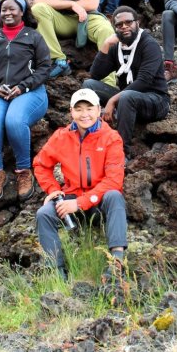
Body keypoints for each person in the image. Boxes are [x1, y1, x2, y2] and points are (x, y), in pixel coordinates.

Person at [34, 89, 127, 282]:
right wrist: (53, 190)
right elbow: (41, 165)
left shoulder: (111, 138)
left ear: (99, 109)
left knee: (115, 196)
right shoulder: (61, 136)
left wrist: (81, 203)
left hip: (98, 202)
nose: (84, 114)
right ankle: (56, 271)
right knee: (43, 214)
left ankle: (117, 260)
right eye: (79, 109)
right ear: (71, 112)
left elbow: (114, 180)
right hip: (70, 198)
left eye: (89, 108)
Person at [0, 0, 52, 203]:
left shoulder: (33, 37)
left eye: (12, 9)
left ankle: (24, 172)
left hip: (30, 92)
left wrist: (23, 87)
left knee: (14, 121)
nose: (7, 13)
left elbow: (45, 68)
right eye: (3, 10)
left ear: (22, 11)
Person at [82, 7, 169, 157]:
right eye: (119, 24)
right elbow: (95, 75)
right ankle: (92, 134)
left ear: (137, 23)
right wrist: (105, 45)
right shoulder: (117, 47)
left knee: (127, 97)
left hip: (156, 100)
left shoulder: (149, 45)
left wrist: (112, 101)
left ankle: (122, 152)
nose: (124, 26)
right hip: (128, 98)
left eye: (129, 22)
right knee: (88, 86)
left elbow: (144, 81)